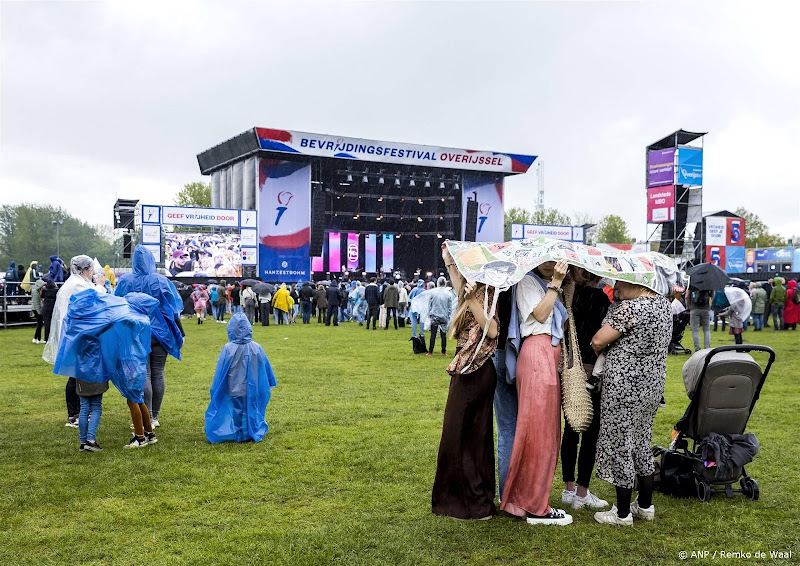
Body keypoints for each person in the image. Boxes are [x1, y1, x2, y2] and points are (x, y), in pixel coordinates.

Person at [590, 280, 672, 525]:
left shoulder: (630, 309)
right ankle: (645, 506)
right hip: (652, 384)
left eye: (619, 284)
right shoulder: (664, 305)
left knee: (621, 444)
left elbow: (597, 340)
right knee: (642, 442)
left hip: (624, 387)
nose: (616, 289)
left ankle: (622, 513)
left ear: (634, 283)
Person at [431, 244, 500, 520]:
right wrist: (448, 258)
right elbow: (458, 281)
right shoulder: (471, 288)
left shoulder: (488, 291)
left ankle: (475, 504)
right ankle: (459, 501)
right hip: (467, 369)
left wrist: (471, 299)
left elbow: (493, 330)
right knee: (461, 435)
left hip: (478, 370)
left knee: (469, 437)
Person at [501, 260, 572, 526]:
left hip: (546, 357)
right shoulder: (528, 282)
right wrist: (555, 284)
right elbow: (541, 316)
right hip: (537, 355)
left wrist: (561, 285)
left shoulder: (546, 285)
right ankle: (533, 505)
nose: (552, 264)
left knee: (545, 433)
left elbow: (561, 320)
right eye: (547, 259)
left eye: (556, 260)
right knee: (538, 434)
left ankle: (529, 500)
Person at [116, 245, 185, 430]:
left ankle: (145, 415)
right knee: (158, 373)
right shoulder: (161, 281)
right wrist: (180, 333)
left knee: (143, 373)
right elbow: (173, 309)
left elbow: (116, 306)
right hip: (161, 333)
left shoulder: (125, 281)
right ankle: (154, 416)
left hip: (136, 332)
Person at [560, 269, 611, 511]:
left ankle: (568, 488)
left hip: (570, 368)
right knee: (591, 430)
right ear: (597, 276)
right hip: (592, 368)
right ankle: (582, 491)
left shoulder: (569, 296)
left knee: (570, 427)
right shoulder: (600, 299)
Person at [43, 255, 99, 428]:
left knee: (76, 375)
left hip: (73, 335)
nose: (92, 273)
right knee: (76, 377)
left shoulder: (72, 284)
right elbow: (97, 298)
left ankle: (77, 412)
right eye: (90, 270)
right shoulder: (77, 285)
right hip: (76, 336)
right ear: (83, 270)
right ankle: (74, 414)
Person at [205, 313, 277, 443]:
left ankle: (240, 433)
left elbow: (221, 370)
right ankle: (250, 431)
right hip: (253, 387)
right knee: (252, 409)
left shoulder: (228, 348)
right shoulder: (256, 347)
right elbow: (265, 368)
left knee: (237, 412)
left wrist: (218, 387)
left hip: (234, 388)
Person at [426, 277, 453, 356]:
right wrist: (448, 315)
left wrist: (429, 314)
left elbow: (429, 304)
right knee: (443, 335)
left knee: (433, 335)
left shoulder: (433, 292)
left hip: (434, 315)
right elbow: (450, 307)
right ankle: (443, 352)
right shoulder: (448, 293)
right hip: (444, 316)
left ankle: (430, 352)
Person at [686, 286, 711, 351]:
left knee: (695, 330)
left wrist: (687, 306)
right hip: (705, 309)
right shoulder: (709, 282)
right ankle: (707, 347)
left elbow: (687, 296)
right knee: (706, 329)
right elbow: (712, 295)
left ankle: (697, 348)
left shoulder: (692, 283)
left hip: (694, 309)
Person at [41, 278, 58, 343]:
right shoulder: (56, 290)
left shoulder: (45, 290)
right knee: (54, 323)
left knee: (47, 323)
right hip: (53, 307)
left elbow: (42, 296)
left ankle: (46, 338)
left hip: (46, 307)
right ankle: (54, 338)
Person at [31, 276, 46, 344]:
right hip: (36, 309)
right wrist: (39, 312)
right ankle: (38, 339)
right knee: (40, 324)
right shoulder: (35, 292)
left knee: (40, 324)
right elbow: (37, 303)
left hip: (36, 309)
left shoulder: (37, 291)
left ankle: (36, 338)